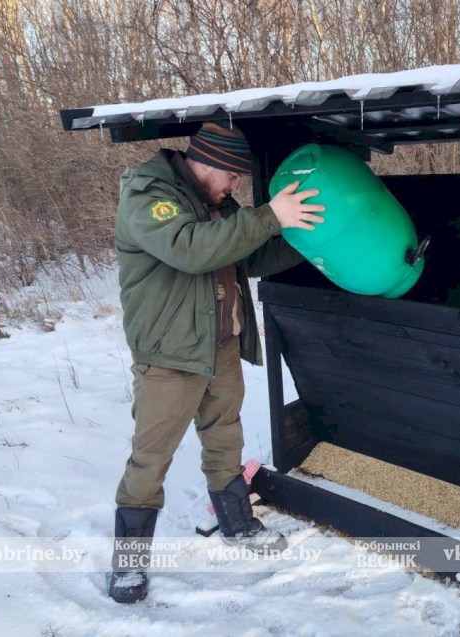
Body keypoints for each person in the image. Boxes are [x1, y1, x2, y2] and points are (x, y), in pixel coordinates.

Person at [108, 122, 324, 604]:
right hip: (169, 355)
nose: (235, 188)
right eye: (232, 178)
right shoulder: (149, 195)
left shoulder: (218, 204)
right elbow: (192, 250)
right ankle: (128, 565)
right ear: (206, 163)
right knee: (151, 456)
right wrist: (270, 214)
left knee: (225, 436)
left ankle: (238, 525)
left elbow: (250, 255)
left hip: (220, 346)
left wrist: (304, 234)